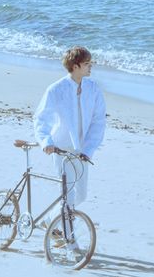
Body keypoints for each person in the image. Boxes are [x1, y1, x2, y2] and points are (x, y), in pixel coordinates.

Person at [33, 45, 106, 209]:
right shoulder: (56, 89)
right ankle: (63, 231)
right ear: (75, 66)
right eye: (87, 63)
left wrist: (89, 148)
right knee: (68, 195)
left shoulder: (93, 88)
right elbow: (41, 118)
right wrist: (46, 142)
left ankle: (52, 222)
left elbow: (98, 121)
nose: (91, 66)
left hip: (82, 151)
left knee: (81, 195)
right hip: (60, 148)